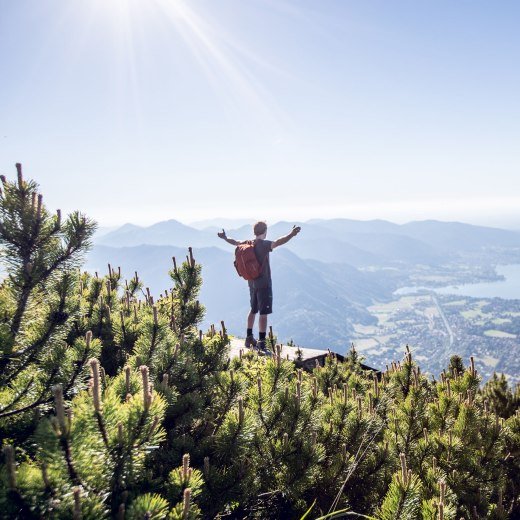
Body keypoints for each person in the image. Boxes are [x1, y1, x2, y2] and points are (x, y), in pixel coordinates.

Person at [218, 221, 301, 354]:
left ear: (254, 232)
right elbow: (279, 242)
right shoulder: (264, 245)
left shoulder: (248, 243)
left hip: (251, 283)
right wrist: (292, 234)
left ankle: (249, 337)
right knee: (264, 313)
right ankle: (262, 343)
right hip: (264, 284)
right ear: (265, 231)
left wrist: (225, 237)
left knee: (253, 310)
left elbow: (235, 242)